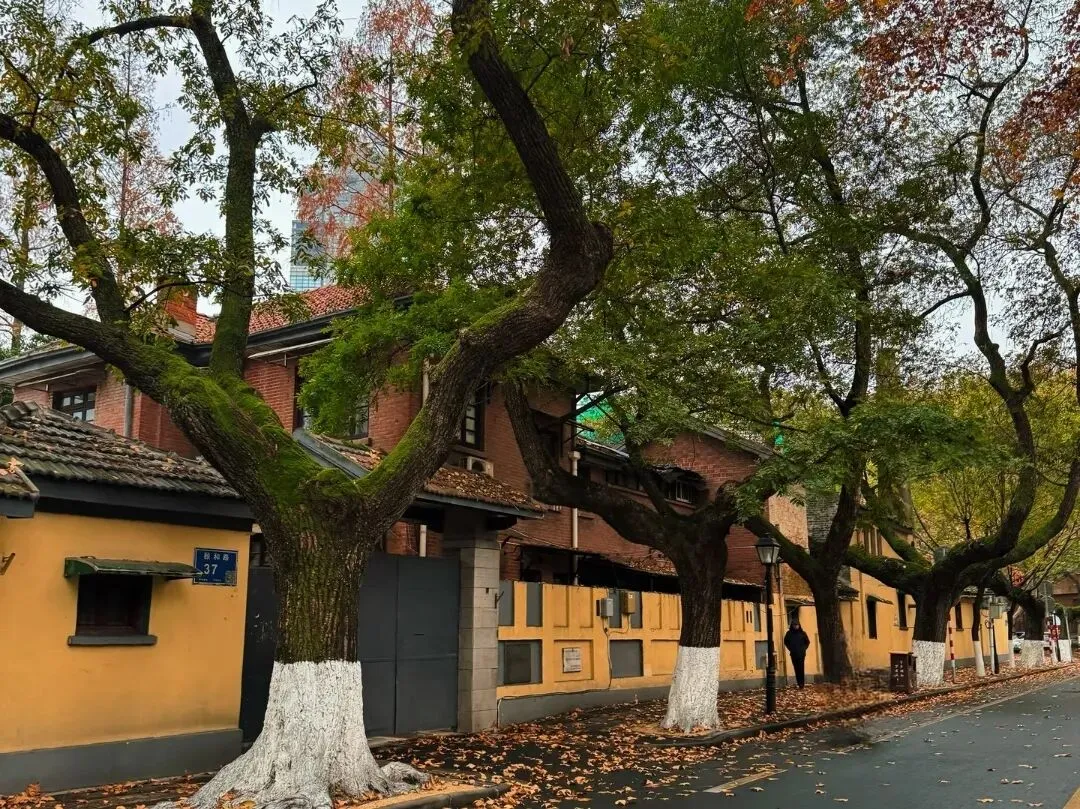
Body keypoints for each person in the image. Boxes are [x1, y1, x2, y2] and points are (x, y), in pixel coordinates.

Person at [784, 621, 811, 689]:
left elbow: (807, 642)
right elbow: (786, 642)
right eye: (794, 625)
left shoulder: (803, 633)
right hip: (793, 654)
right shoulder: (789, 633)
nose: (796, 626)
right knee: (796, 668)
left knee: (801, 668)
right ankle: (799, 683)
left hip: (801, 654)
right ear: (792, 626)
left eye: (797, 625)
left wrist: (803, 649)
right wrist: (790, 648)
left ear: (799, 625)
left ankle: (802, 684)